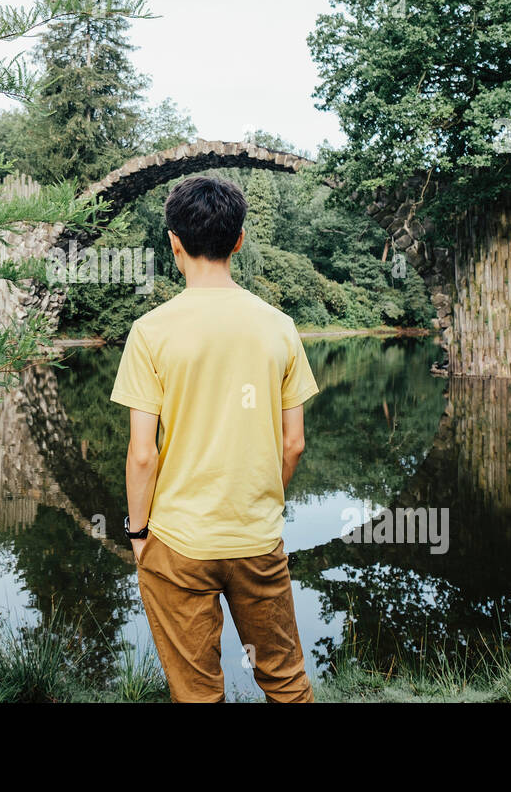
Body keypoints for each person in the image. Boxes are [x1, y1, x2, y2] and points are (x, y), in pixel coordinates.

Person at [109, 174, 320, 703]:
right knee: (286, 679)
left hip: (178, 541)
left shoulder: (151, 331)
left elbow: (142, 455)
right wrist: (261, 502)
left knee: (197, 691)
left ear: (173, 242)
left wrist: (138, 535)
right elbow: (293, 443)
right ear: (240, 240)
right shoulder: (279, 326)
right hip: (257, 538)